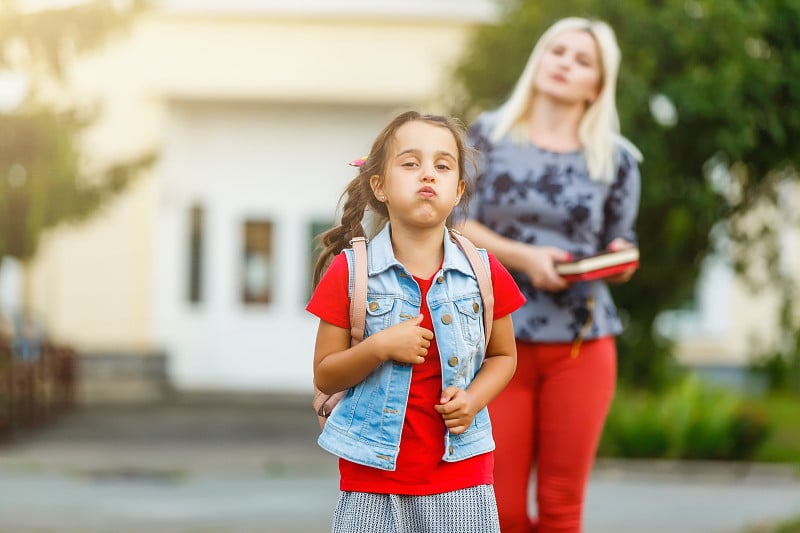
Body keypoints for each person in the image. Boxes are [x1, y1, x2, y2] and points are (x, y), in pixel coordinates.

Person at [459, 17, 642, 533]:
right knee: (501, 511)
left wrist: (619, 256)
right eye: (558, 51)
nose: (565, 63)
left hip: (582, 344)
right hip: (496, 343)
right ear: (539, 59)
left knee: (561, 510)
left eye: (582, 60)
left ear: (597, 86)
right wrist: (526, 258)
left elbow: (619, 238)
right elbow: (456, 223)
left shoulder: (618, 160)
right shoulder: (486, 136)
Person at [307, 110, 526, 533]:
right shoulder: (351, 274)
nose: (428, 174)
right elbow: (325, 374)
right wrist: (379, 347)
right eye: (410, 163)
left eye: (442, 166)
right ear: (380, 186)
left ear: (458, 190)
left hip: (461, 476)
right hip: (373, 481)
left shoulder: (485, 272)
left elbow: (504, 356)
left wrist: (474, 399)